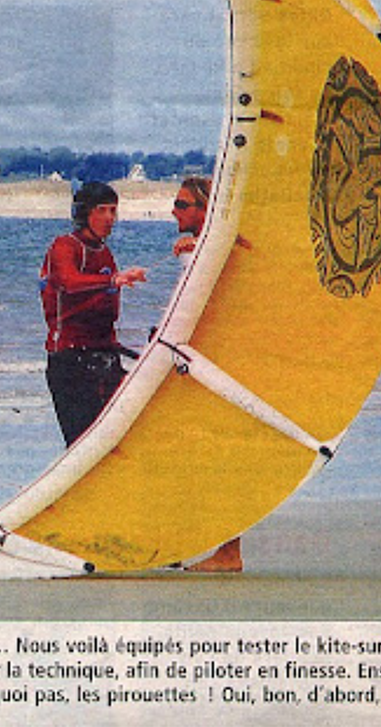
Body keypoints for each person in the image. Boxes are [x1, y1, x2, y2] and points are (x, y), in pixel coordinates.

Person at [170, 175, 244, 574]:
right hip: (199, 362)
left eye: (182, 205)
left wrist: (199, 246)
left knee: (219, 458)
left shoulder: (220, 242)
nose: (174, 212)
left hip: (220, 363)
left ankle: (229, 553)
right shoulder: (204, 244)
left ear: (204, 209)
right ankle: (199, 542)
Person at [40, 182, 147, 446]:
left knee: (123, 436)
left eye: (113, 210)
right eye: (102, 210)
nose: (110, 218)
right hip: (70, 361)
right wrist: (113, 280)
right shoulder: (64, 246)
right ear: (84, 213)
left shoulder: (105, 253)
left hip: (105, 358)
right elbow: (68, 281)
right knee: (82, 443)